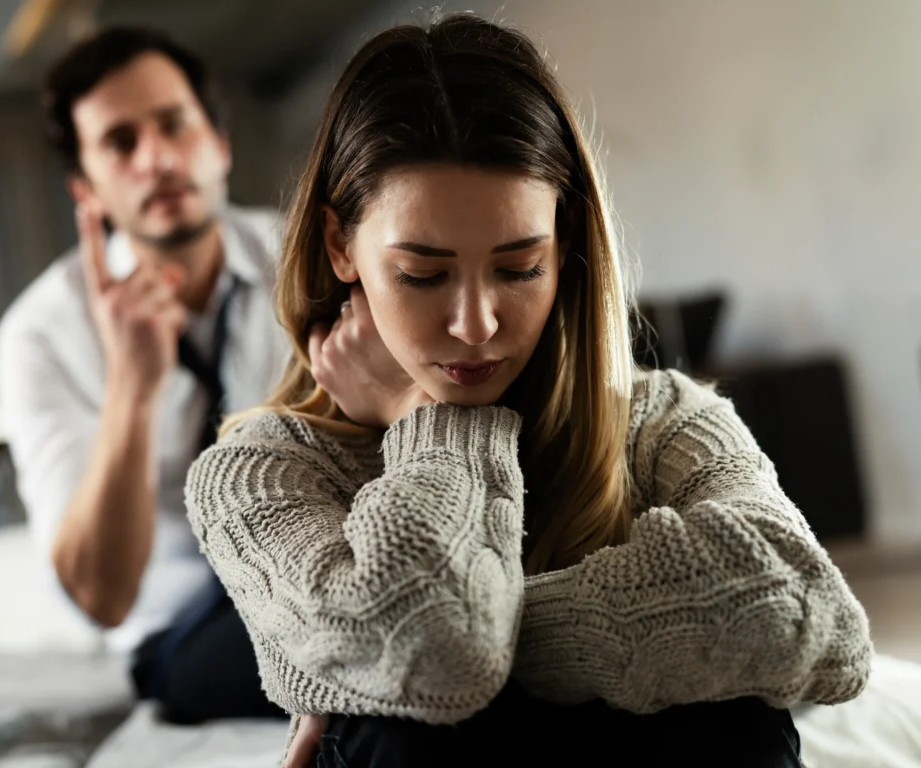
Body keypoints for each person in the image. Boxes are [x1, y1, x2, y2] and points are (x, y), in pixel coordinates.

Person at [184, 13, 873, 766]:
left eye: (519, 268)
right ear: (339, 245)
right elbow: (437, 660)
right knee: (404, 728)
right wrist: (429, 420)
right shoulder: (257, 473)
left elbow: (815, 618)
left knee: (734, 716)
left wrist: (479, 623)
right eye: (422, 274)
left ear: (564, 245)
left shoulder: (663, 421)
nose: (476, 325)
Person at [0, 27, 289, 724]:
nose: (157, 159)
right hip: (181, 628)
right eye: (120, 143)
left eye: (174, 124)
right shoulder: (39, 336)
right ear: (85, 190)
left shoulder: (309, 262)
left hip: (318, 575)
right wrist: (132, 385)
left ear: (219, 145)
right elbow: (102, 596)